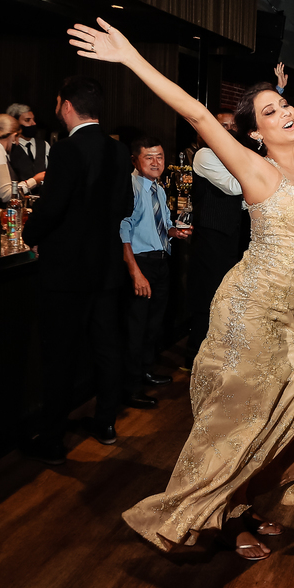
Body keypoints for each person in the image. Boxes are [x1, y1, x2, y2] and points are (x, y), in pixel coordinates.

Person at [69, 18, 294, 559]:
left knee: (276, 415)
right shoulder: (254, 169)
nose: (286, 113)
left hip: (284, 318)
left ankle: (243, 507)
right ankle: (225, 518)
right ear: (254, 130)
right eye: (269, 111)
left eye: (285, 105)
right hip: (248, 311)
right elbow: (196, 112)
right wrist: (131, 57)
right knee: (242, 419)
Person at [21, 77, 133, 464]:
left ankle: (52, 441)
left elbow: (51, 208)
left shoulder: (67, 150)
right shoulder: (119, 152)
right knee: (106, 348)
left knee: (61, 356)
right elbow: (126, 206)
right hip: (104, 269)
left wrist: (29, 233)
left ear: (66, 106)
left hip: (68, 273)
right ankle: (105, 423)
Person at [119, 137, 190, 422]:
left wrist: (175, 232)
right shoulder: (132, 187)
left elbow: (162, 225)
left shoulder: (158, 189)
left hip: (161, 261)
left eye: (159, 157)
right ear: (135, 160)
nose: (156, 162)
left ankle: (145, 371)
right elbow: (122, 229)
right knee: (135, 329)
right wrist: (134, 271)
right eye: (149, 157)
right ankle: (129, 387)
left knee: (153, 324)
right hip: (141, 264)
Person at [188, 117, 253, 361]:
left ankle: (218, 355)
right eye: (222, 126)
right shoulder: (205, 155)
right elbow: (234, 187)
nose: (227, 131)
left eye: (231, 126)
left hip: (231, 236)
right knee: (208, 297)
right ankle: (195, 357)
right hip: (210, 237)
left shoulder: (231, 156)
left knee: (226, 297)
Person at [6, 104, 49, 186]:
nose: (33, 123)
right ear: (15, 123)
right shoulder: (9, 148)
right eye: (27, 120)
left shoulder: (44, 145)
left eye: (33, 119)